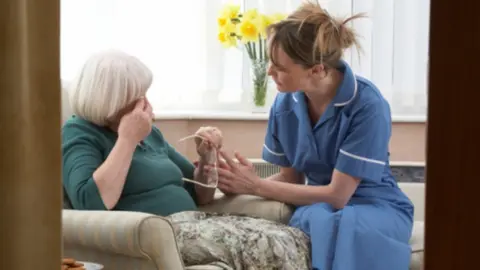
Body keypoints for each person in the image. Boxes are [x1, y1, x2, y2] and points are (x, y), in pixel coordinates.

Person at [62, 50, 310, 269]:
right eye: (137, 97)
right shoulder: (81, 133)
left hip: (194, 222)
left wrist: (206, 156)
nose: (146, 104)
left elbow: (200, 194)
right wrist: (127, 139)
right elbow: (91, 203)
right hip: (165, 232)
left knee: (291, 236)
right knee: (269, 245)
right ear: (110, 100)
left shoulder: (150, 135)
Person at [212, 2, 415, 270]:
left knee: (342, 225)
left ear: (317, 70)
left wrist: (256, 186)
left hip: (376, 207)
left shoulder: (368, 105)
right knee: (319, 219)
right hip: (320, 207)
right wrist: (240, 183)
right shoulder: (284, 105)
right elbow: (290, 178)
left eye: (280, 67)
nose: (269, 72)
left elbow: (338, 195)